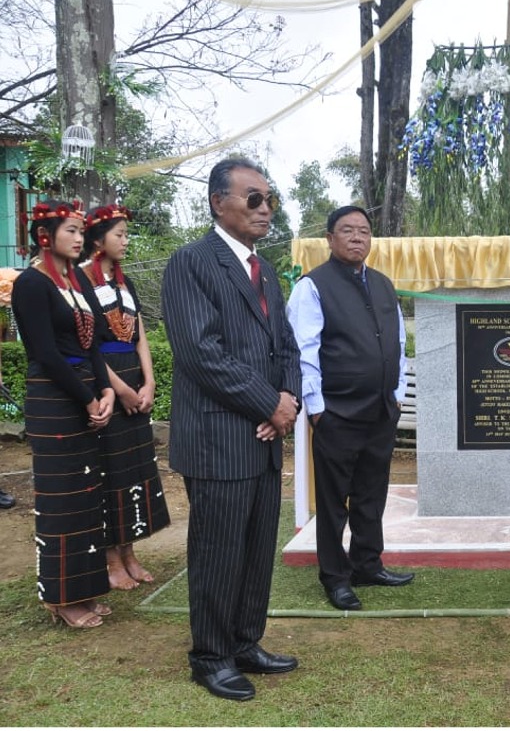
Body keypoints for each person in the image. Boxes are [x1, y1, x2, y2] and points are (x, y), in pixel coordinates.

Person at [162, 157, 302, 700]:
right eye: (253, 198)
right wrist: (269, 405)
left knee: (255, 546)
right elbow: (201, 354)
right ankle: (211, 656)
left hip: (264, 435)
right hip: (220, 438)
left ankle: (245, 642)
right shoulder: (191, 262)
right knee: (218, 551)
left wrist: (287, 398)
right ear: (218, 202)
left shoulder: (264, 270)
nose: (265, 208)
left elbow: (284, 344)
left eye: (269, 199)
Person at [286, 206, 414, 612]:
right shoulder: (313, 286)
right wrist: (316, 407)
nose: (357, 237)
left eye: (364, 231)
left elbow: (398, 341)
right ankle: (335, 577)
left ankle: (367, 564)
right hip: (336, 412)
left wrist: (397, 391)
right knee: (332, 500)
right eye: (347, 231)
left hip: (380, 409)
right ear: (329, 238)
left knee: (371, 494)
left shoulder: (382, 283)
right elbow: (303, 349)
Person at [12, 200, 115, 628]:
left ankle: (85, 590)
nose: (79, 238)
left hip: (86, 392)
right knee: (61, 501)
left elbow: (93, 343)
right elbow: (46, 354)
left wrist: (106, 388)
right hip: (54, 400)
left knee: (88, 494)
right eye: (70, 231)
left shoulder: (78, 281)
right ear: (45, 235)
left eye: (80, 231)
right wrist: (87, 399)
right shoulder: (32, 284)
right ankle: (61, 598)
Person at [81, 204, 170, 590]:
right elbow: (87, 345)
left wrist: (149, 383)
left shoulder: (124, 282)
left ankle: (129, 550)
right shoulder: (80, 282)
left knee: (135, 468)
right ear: (98, 239)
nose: (125, 241)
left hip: (135, 385)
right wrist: (121, 390)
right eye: (119, 235)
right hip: (107, 386)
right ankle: (110, 557)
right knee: (109, 472)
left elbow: (140, 337)